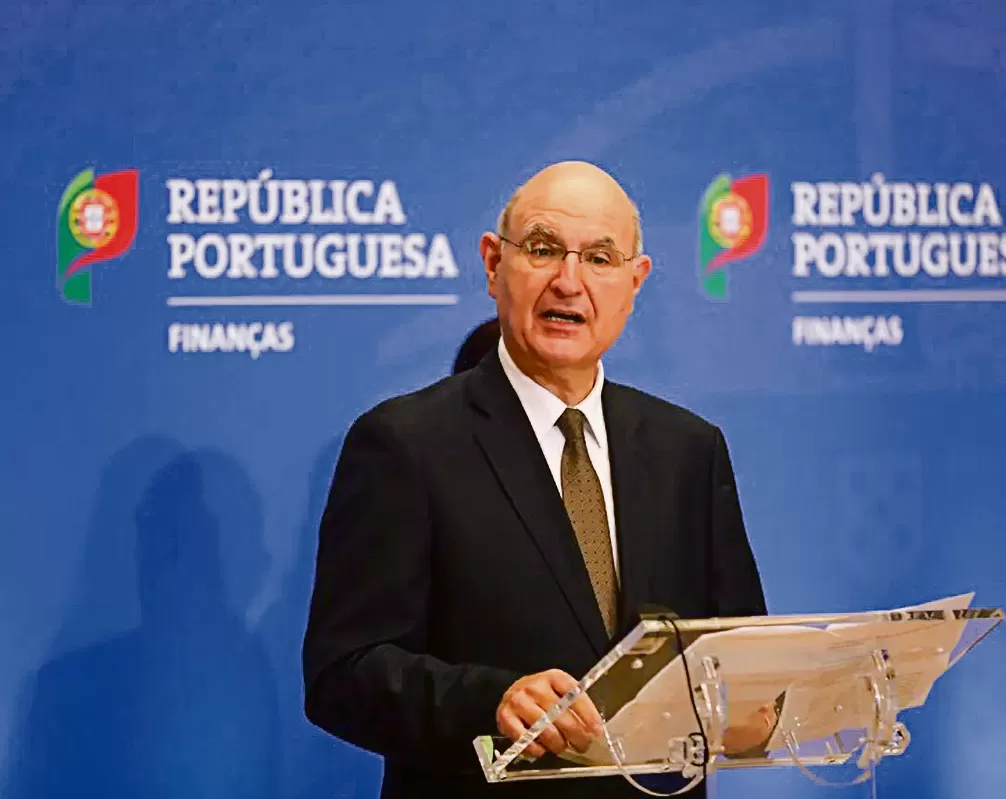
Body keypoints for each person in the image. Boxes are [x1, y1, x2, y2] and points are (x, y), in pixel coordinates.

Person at [302, 161, 768, 799]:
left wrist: (783, 697)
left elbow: (741, 655)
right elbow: (344, 673)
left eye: (600, 258)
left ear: (635, 282)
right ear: (494, 264)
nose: (569, 282)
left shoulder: (690, 449)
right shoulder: (404, 445)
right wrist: (490, 702)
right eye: (543, 250)